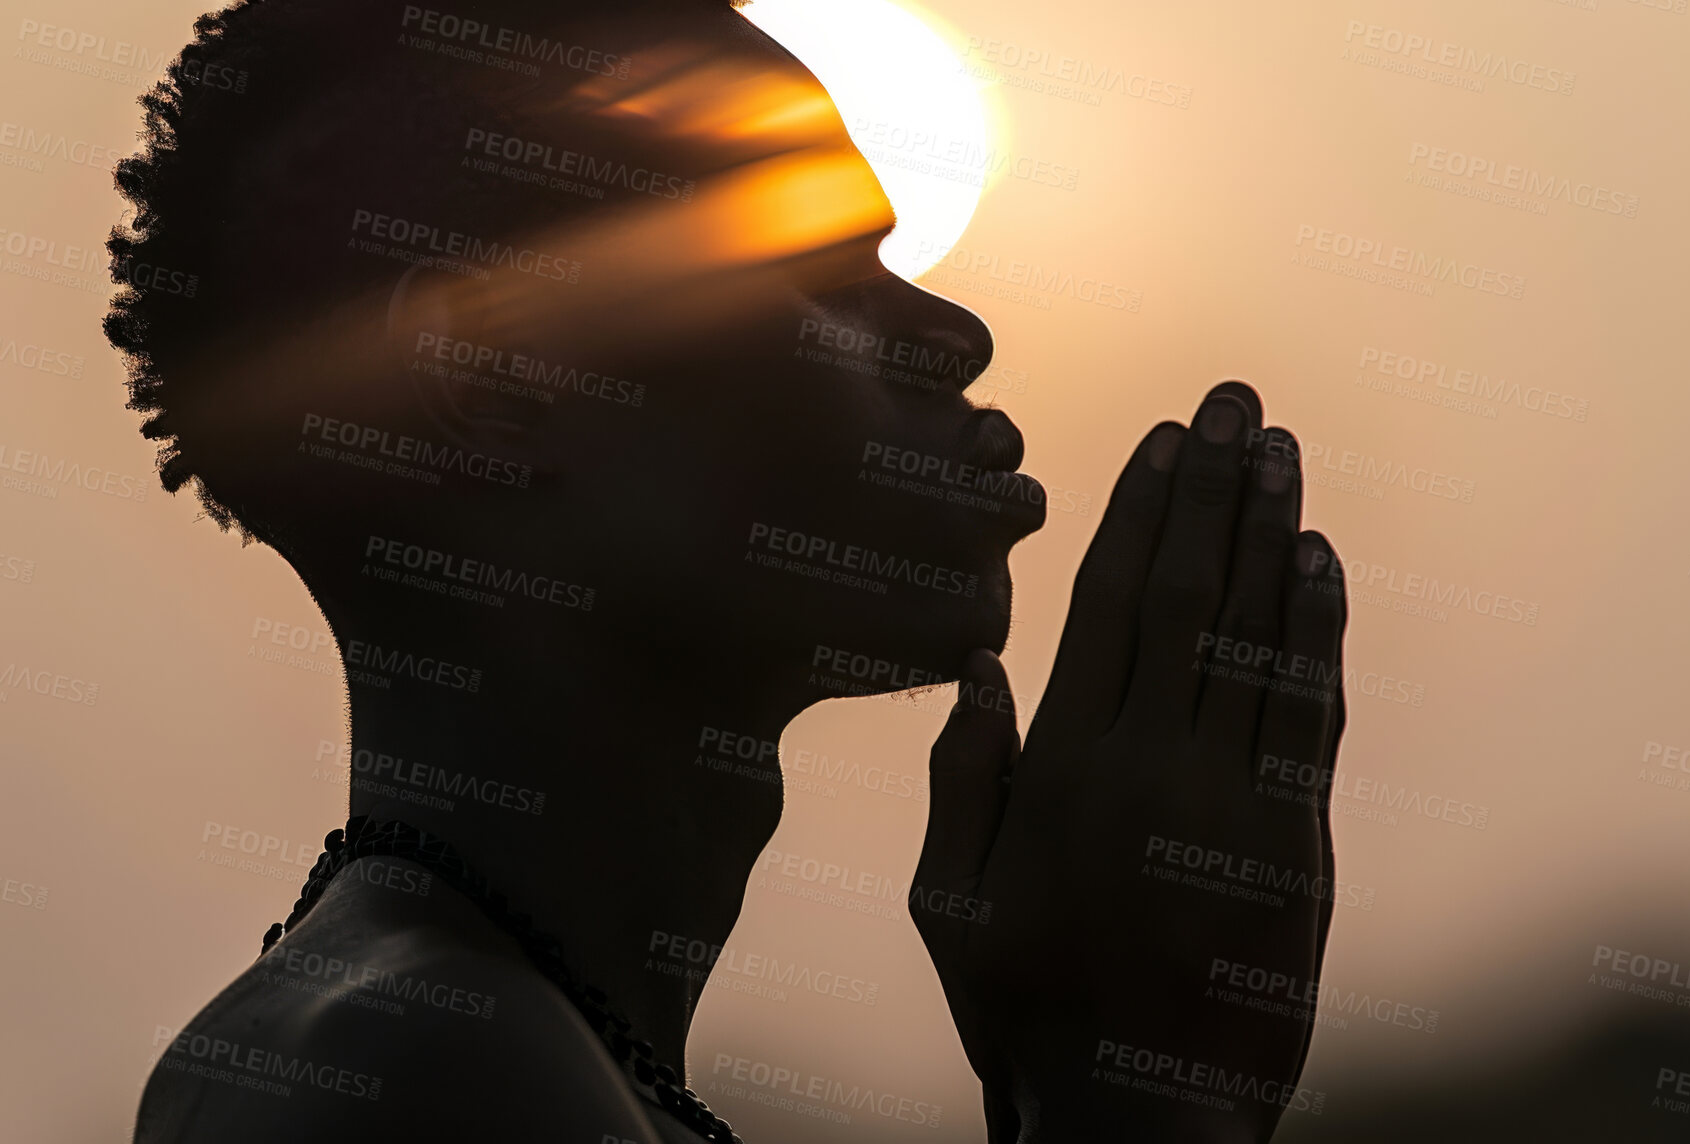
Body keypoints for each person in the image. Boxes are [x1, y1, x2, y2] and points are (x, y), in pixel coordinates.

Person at [109, 0, 1348, 1140]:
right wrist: (1134, 1098)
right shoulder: (422, 1067)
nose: (951, 335)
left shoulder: (432, 1038)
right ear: (500, 368)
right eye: (821, 270)